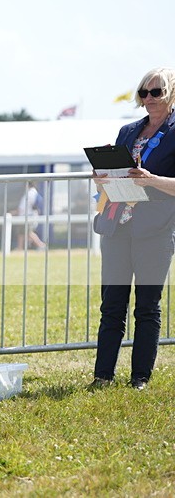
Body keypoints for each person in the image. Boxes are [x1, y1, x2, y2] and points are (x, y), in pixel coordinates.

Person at [90, 67, 175, 390]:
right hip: (117, 226)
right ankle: (103, 376)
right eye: (144, 92)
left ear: (171, 95)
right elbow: (117, 175)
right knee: (112, 304)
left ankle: (140, 377)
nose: (149, 98)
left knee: (147, 307)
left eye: (157, 92)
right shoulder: (127, 132)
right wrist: (103, 177)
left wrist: (151, 180)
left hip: (155, 229)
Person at [12, 182, 46, 250]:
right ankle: (20, 247)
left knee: (27, 232)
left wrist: (14, 213)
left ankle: (41, 245)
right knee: (22, 233)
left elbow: (22, 207)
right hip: (31, 215)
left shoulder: (29, 194)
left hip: (27, 216)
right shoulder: (35, 193)